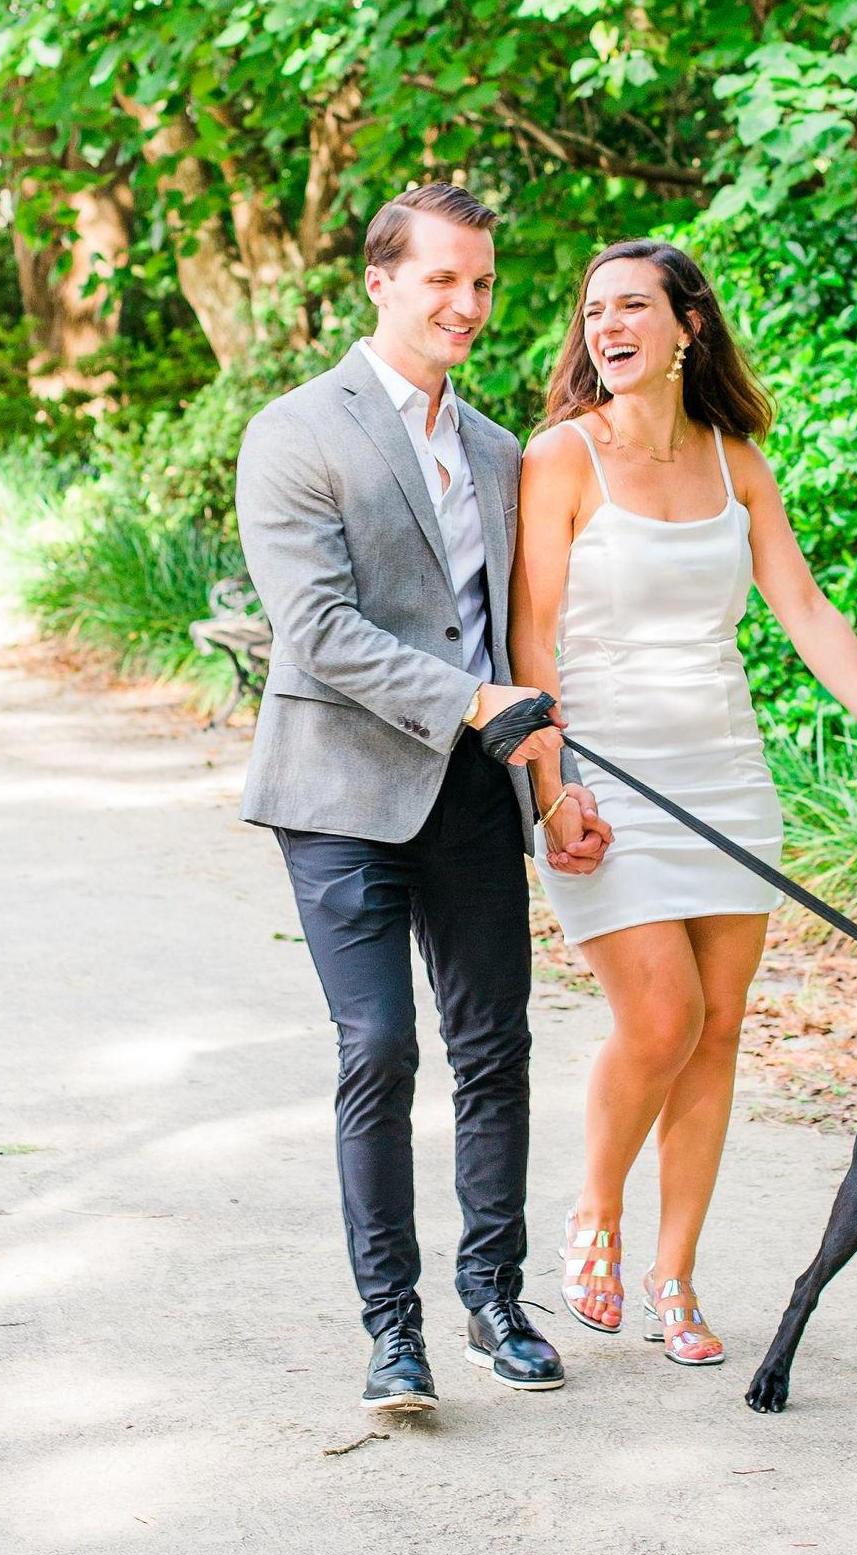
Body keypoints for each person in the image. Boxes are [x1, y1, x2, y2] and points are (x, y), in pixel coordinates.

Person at [510, 238, 857, 1366]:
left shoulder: (734, 459)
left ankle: (676, 1275)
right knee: (661, 1018)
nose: (609, 326)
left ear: (686, 326)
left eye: (633, 306)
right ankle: (595, 1210)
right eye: (594, 310)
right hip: (607, 779)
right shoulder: (562, 457)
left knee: (715, 1031)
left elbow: (802, 606)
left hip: (726, 778)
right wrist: (552, 789)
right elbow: (531, 640)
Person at [235, 182, 613, 1414]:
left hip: (473, 793)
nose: (466, 303)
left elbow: (521, 639)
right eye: (442, 278)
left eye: (483, 282)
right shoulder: (296, 431)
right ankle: (392, 1334)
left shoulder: (501, 451)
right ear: (381, 281)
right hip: (338, 791)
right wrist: (468, 699)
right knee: (381, 1047)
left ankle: (496, 1299)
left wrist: (556, 790)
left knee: (496, 1043)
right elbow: (317, 629)